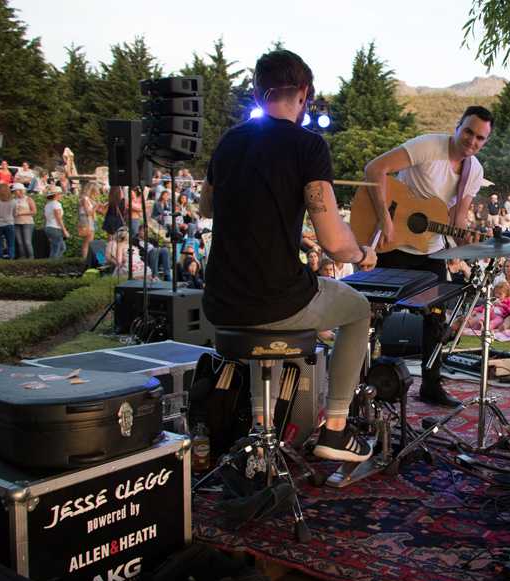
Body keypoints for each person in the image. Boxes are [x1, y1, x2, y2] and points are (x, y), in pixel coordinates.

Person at [200, 49, 377, 463]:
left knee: (278, 308)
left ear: (259, 92)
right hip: (274, 301)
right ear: (303, 92)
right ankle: (335, 429)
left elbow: (210, 208)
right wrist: (364, 252)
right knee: (359, 310)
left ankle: (262, 429)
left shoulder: (229, 141)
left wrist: (292, 236)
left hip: (220, 303)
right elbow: (336, 242)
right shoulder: (308, 145)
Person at [364, 105, 492, 408]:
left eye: (480, 138)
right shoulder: (427, 146)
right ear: (457, 126)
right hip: (393, 243)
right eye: (469, 132)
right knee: (373, 315)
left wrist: (467, 238)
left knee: (435, 321)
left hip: (430, 250)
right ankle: (366, 382)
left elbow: (457, 218)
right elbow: (374, 169)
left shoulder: (474, 171)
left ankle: (431, 385)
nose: (472, 141)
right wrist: (385, 219)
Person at [78, 182, 105, 260]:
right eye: (96, 191)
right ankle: (85, 260)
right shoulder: (85, 198)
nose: (97, 193)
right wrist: (96, 207)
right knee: (87, 242)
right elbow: (88, 212)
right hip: (87, 221)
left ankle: (86, 259)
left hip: (90, 221)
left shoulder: (89, 199)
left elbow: (101, 211)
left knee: (88, 241)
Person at [11, 183, 36, 259]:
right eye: (14, 191)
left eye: (16, 190)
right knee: (19, 242)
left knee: (27, 242)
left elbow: (34, 211)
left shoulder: (28, 199)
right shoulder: (13, 200)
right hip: (16, 222)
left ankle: (31, 257)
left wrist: (22, 213)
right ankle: (23, 257)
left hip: (27, 223)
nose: (15, 192)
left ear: (21, 191)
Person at [43, 186, 69, 258]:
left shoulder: (47, 204)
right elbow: (59, 218)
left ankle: (56, 263)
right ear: (56, 195)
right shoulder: (56, 204)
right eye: (60, 194)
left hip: (49, 227)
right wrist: (64, 230)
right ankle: (53, 265)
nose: (61, 195)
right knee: (56, 249)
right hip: (55, 228)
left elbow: (45, 217)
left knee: (61, 248)